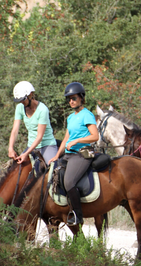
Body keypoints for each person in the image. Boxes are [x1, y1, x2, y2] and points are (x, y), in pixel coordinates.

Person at [49, 82, 100, 226]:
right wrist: (57, 155)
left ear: (81, 98)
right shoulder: (71, 117)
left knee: (69, 181)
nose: (71, 101)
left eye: (74, 98)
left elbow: (95, 136)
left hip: (82, 154)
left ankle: (78, 215)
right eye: (69, 99)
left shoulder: (87, 115)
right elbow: (66, 138)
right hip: (68, 154)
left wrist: (77, 140)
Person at [8, 81, 58, 164]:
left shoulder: (42, 110)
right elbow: (15, 130)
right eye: (19, 100)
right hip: (31, 145)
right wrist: (10, 148)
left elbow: (39, 137)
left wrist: (26, 153)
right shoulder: (20, 108)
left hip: (46, 145)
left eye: (23, 99)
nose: (22, 102)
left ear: (30, 95)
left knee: (53, 169)